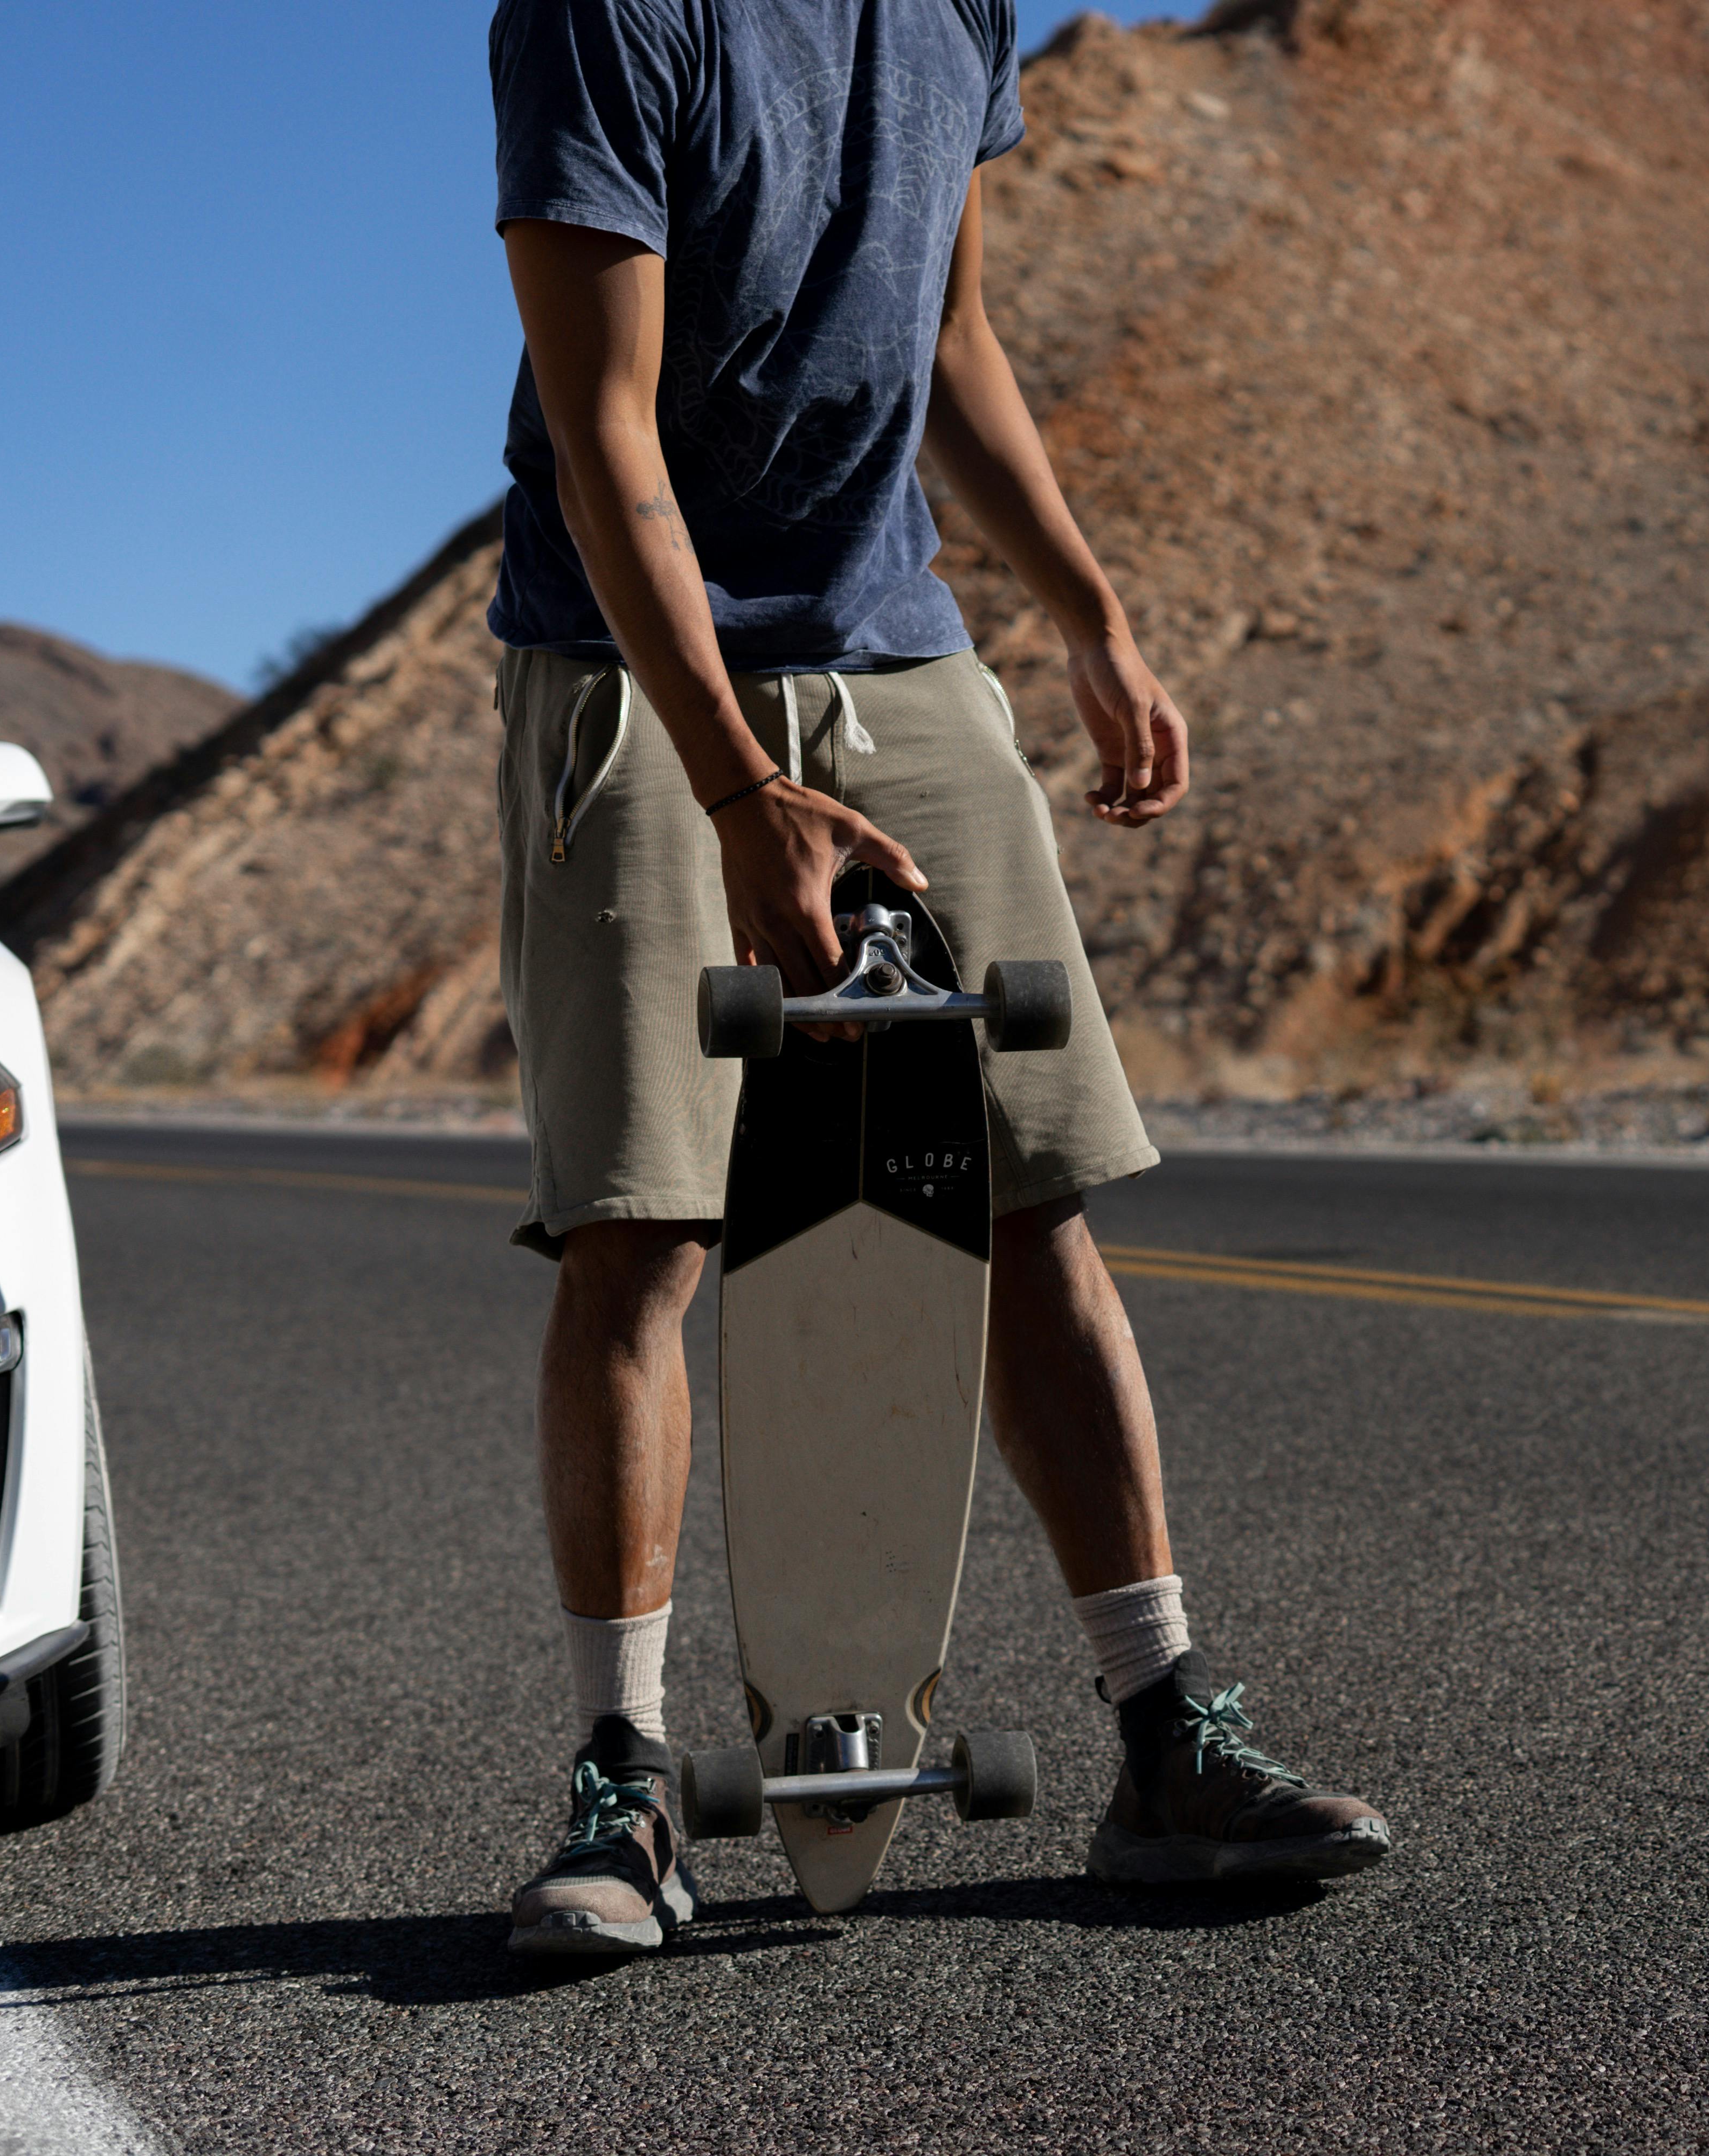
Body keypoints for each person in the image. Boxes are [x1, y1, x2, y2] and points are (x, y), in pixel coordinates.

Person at [483, 0, 1390, 1955]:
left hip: (901, 653)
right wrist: (738, 788)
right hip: (640, 672)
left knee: (1032, 1191)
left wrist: (1089, 610)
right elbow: (599, 427)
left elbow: (954, 335)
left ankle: (1163, 1735)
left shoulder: (952, 6)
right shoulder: (612, 15)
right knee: (643, 1220)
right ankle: (624, 1789)